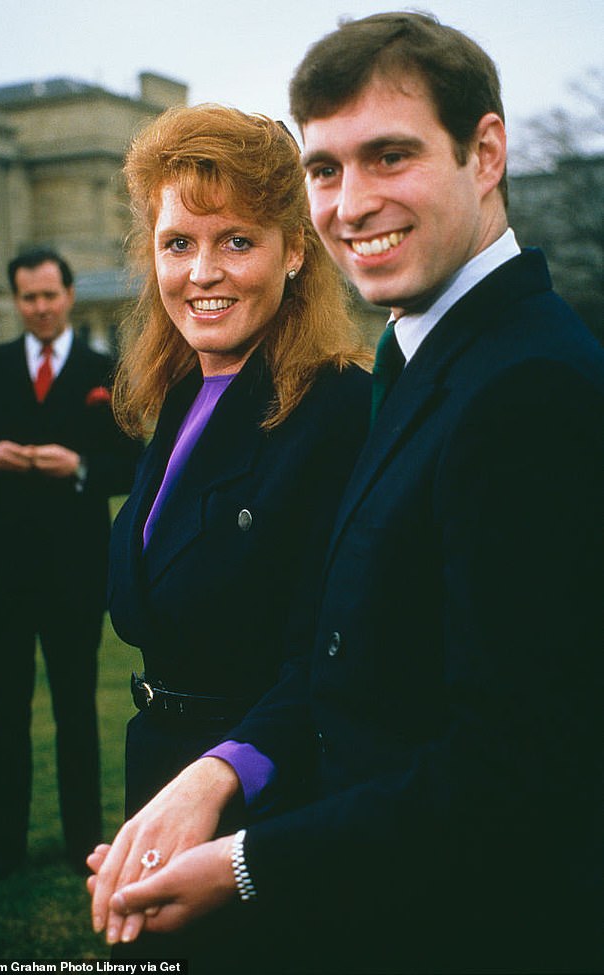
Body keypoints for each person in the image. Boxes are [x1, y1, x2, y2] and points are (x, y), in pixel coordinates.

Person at [88, 13, 604, 974]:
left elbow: (519, 766)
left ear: (485, 152)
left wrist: (244, 859)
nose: (352, 202)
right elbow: (355, 656)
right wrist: (208, 775)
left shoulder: (530, 387)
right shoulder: (419, 353)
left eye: (391, 155)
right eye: (326, 168)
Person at [96, 102, 371, 955]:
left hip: (271, 813)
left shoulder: (341, 409)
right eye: (179, 243)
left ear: (296, 250)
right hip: (165, 789)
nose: (202, 272)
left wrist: (218, 780)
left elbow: (339, 654)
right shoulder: (179, 396)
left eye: (236, 241)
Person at [0, 247, 140, 881]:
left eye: (49, 296)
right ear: (17, 302)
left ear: (68, 295)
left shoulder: (106, 370)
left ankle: (81, 845)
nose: (40, 308)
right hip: (1, 575)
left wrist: (82, 469)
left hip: (74, 574)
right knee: (5, 711)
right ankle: (3, 849)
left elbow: (137, 463)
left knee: (75, 709)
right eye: (28, 298)